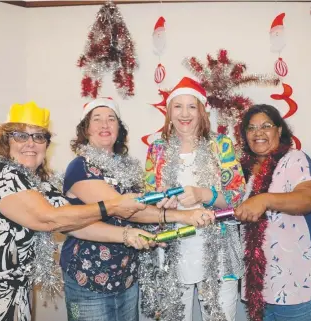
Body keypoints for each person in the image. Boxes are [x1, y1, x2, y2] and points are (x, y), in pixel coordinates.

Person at [0, 102, 145, 321]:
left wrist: (127, 235)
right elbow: (48, 219)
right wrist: (112, 206)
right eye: (21, 136)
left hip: (17, 296)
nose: (31, 144)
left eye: (38, 137)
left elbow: (73, 224)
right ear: (5, 140)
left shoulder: (41, 186)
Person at [61, 97, 215, 321]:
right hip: (88, 279)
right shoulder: (80, 167)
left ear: (119, 128)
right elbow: (125, 209)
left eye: (111, 119)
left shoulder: (128, 167)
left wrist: (163, 198)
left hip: (127, 277)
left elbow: (144, 209)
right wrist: (184, 216)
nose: (105, 125)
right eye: (97, 119)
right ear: (85, 129)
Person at [139, 77, 246, 321]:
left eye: (191, 106)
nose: (184, 113)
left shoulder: (221, 145)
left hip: (217, 252)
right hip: (171, 250)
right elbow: (147, 198)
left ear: (202, 111)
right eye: (177, 106)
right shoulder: (157, 149)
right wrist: (161, 203)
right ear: (168, 112)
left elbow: (238, 198)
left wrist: (203, 194)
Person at [234, 104, 311, 321]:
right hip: (258, 286)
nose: (258, 133)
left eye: (266, 126)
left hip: (294, 282)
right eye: (251, 128)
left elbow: (309, 199)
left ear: (279, 130)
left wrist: (265, 199)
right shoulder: (243, 170)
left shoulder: (294, 159)